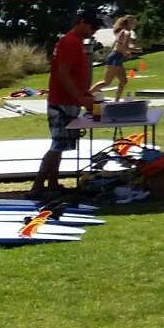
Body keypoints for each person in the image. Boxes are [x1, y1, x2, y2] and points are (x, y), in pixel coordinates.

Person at [37, 11, 101, 197]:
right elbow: (63, 75)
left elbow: (73, 75)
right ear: (81, 22)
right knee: (57, 144)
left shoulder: (75, 42)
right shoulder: (71, 42)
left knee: (62, 145)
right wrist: (81, 99)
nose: (94, 31)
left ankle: (53, 183)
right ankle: (37, 186)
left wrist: (85, 93)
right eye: (92, 27)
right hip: (62, 102)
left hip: (69, 100)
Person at [95, 14, 137, 100]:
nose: (135, 23)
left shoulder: (122, 32)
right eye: (134, 22)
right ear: (129, 23)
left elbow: (118, 46)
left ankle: (116, 100)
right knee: (107, 82)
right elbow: (124, 47)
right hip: (115, 58)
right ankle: (87, 94)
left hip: (117, 58)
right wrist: (136, 50)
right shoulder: (127, 33)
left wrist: (126, 52)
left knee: (123, 81)